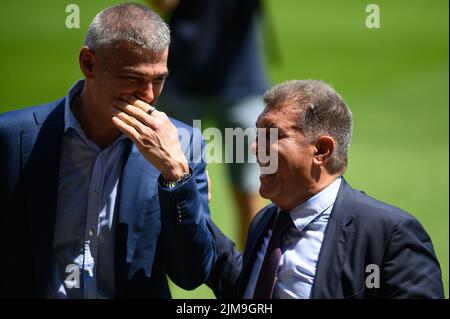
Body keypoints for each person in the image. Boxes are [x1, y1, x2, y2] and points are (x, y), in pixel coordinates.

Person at [0, 3, 216, 298]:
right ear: (89, 63)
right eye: (132, 79)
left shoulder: (184, 145)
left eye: (159, 79)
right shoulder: (12, 137)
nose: (149, 96)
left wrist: (176, 175)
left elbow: (191, 274)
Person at [206, 80, 445, 299]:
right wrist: (186, 191)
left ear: (321, 150)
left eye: (271, 134)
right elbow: (243, 289)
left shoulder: (390, 235)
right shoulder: (266, 222)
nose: (256, 148)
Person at [149, 0, 270, 248]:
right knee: (163, 189)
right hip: (182, 85)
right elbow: (163, 3)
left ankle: (248, 279)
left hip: (241, 86)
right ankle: (159, 279)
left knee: (255, 192)